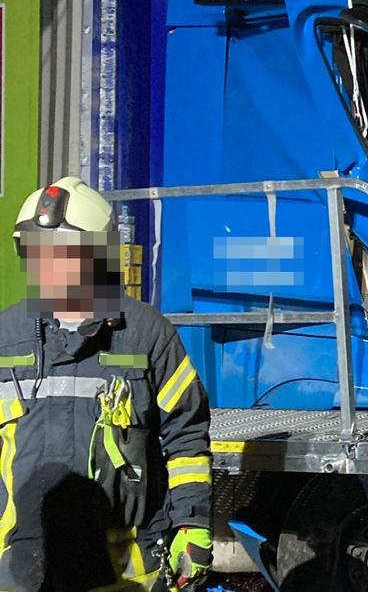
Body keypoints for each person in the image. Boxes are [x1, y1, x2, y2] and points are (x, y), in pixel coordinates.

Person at [0, 177, 211, 592]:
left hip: (122, 569)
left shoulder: (146, 335)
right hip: (20, 567)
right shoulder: (6, 337)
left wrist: (191, 524)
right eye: (37, 251)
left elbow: (186, 436)